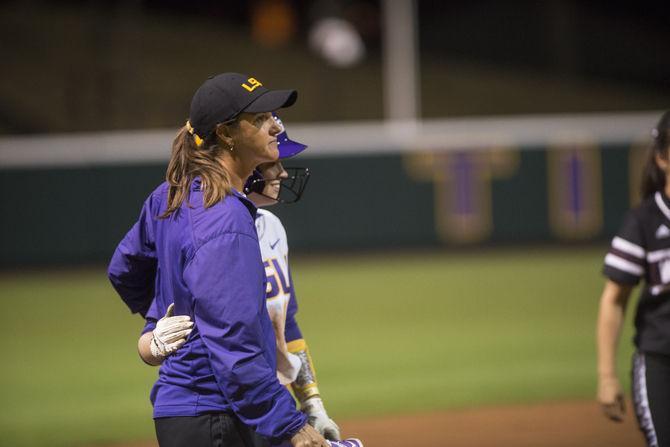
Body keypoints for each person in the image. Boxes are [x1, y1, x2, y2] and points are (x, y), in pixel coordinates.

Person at [108, 73, 328, 447]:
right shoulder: (224, 217)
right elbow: (234, 341)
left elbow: (125, 268)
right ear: (226, 134)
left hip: (187, 409)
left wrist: (165, 321)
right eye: (260, 119)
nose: (275, 126)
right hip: (218, 412)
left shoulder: (168, 196)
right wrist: (289, 423)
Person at [597, 110, 670, 447]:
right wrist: (607, 375)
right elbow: (614, 299)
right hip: (660, 360)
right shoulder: (644, 220)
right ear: (662, 158)